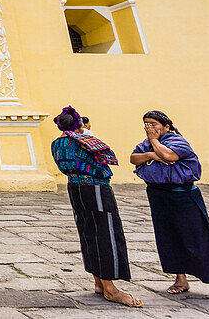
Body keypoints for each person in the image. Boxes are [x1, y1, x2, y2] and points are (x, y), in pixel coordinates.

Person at [130, 110, 209, 306]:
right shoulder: (145, 144)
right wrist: (150, 154)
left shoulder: (177, 140)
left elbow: (170, 156)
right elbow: (133, 158)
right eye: (146, 124)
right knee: (170, 238)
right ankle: (181, 279)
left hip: (182, 195)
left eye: (153, 124)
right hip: (158, 195)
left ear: (166, 126)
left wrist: (155, 144)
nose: (149, 128)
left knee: (199, 238)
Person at [50, 106, 142, 308]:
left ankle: (99, 282)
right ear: (79, 125)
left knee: (87, 231)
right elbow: (109, 157)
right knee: (105, 233)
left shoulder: (57, 143)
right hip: (96, 189)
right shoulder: (86, 141)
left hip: (75, 187)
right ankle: (111, 289)